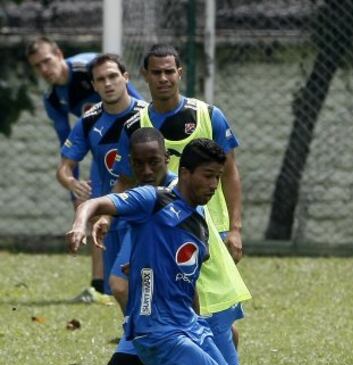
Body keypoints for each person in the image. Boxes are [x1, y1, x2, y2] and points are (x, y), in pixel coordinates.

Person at [89, 130, 332, 365]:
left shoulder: (179, 196)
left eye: (153, 162)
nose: (145, 168)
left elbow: (187, 263)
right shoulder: (148, 197)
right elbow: (120, 213)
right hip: (158, 320)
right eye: (138, 162)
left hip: (189, 314)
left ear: (169, 163)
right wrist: (108, 224)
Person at [26, 37, 142, 298]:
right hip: (103, 149)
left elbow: (138, 107)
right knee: (94, 211)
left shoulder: (88, 66)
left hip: (135, 148)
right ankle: (100, 285)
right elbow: (67, 147)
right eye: (37, 66)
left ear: (59, 53)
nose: (44, 69)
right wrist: (74, 192)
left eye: (47, 60)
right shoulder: (54, 99)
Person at [113, 43, 243, 263]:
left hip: (209, 223)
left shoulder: (209, 116)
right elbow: (124, 181)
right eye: (156, 72)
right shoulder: (134, 126)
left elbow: (230, 174)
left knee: (217, 296)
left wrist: (235, 228)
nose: (163, 78)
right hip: (158, 225)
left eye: (169, 71)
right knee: (120, 284)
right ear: (145, 75)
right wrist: (106, 217)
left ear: (179, 73)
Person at [57, 53, 147, 295]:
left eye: (113, 76)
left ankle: (147, 330)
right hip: (108, 213)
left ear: (125, 78)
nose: (108, 83)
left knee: (132, 280)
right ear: (94, 86)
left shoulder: (147, 116)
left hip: (142, 210)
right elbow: (64, 168)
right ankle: (135, 330)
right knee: (116, 286)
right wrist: (71, 182)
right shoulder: (89, 121)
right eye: (101, 79)